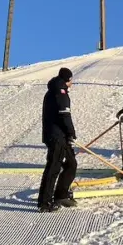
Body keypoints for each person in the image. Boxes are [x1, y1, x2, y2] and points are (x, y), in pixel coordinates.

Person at [38, 67, 78, 212]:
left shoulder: (55, 90)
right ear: (68, 80)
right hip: (57, 136)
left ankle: (61, 194)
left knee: (71, 164)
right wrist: (71, 133)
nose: (71, 83)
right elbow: (64, 115)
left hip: (60, 135)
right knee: (53, 168)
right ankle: (45, 202)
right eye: (71, 80)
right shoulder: (60, 92)